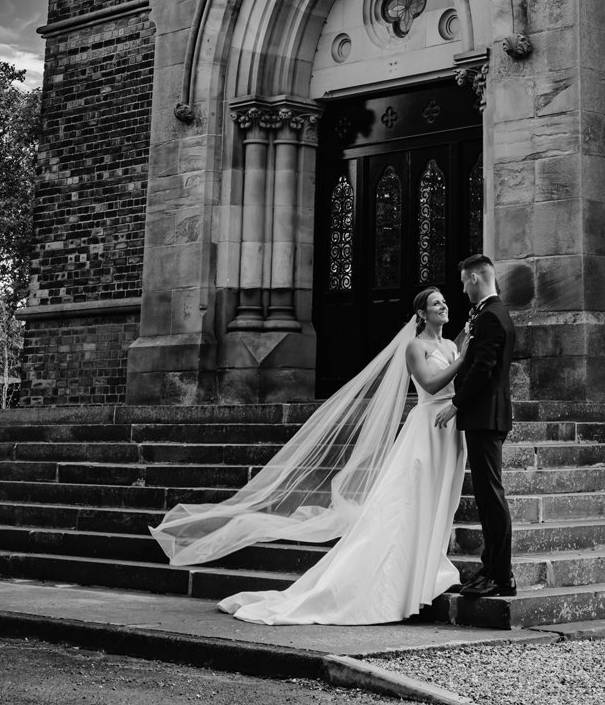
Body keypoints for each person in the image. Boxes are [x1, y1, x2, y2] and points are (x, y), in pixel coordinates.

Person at [151, 288, 467, 625]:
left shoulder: (450, 346)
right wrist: (464, 358)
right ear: (421, 314)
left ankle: (427, 562)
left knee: (435, 498)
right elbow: (430, 384)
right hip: (425, 429)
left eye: (444, 302)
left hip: (449, 429)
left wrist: (465, 348)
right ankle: (399, 577)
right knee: (407, 500)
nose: (444, 306)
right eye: (436, 303)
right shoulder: (414, 347)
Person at [435, 253, 515, 599]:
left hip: (485, 417)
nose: (462, 290)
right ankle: (491, 568)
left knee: (492, 497)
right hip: (484, 417)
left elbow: (483, 368)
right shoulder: (490, 314)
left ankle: (502, 576)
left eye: (464, 281)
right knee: (485, 497)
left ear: (474, 278)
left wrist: (455, 404)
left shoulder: (492, 317)